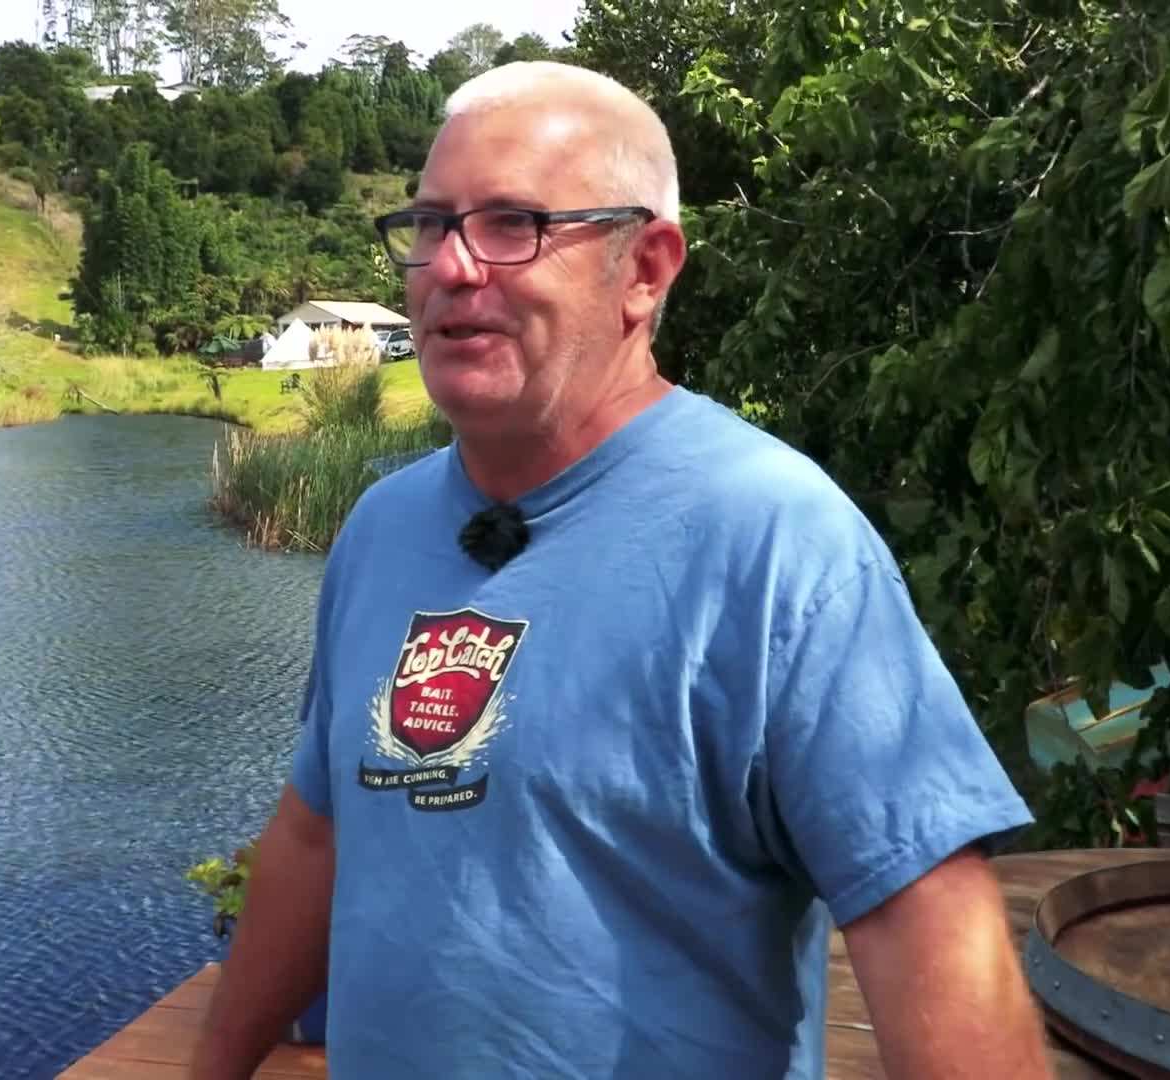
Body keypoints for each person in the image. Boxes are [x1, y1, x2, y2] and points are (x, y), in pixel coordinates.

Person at [191, 61, 1054, 1080]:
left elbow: (933, 927)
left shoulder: (774, 538)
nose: (453, 266)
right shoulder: (382, 527)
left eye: (513, 224)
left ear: (644, 268)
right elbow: (316, 837)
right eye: (430, 224)